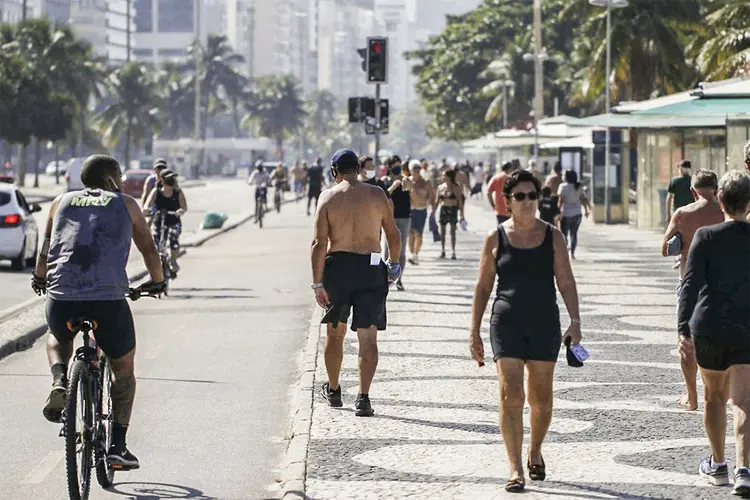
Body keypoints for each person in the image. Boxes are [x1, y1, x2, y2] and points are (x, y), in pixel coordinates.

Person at [31, 154, 166, 470]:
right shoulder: (127, 204)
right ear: (110, 180)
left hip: (62, 297)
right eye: (118, 177)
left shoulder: (60, 201)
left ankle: (61, 381)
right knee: (124, 367)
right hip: (107, 301)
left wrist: (39, 277)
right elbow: (149, 250)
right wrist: (157, 283)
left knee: (56, 336)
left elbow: (46, 248)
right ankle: (118, 446)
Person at [469, 169, 583, 492]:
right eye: (520, 196)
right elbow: (482, 287)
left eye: (532, 195)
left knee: (541, 399)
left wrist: (575, 321)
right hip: (506, 322)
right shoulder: (495, 238)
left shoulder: (553, 236)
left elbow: (566, 281)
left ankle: (535, 450)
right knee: (511, 394)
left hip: (545, 322)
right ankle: (515, 467)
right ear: (507, 201)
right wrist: (474, 330)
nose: (528, 201)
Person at [311, 149, 402, 417]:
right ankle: (363, 398)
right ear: (358, 169)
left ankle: (335, 389)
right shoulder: (376, 195)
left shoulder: (327, 197)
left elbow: (318, 244)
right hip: (371, 267)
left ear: (334, 171)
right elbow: (393, 236)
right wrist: (393, 265)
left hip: (338, 269)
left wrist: (317, 283)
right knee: (368, 336)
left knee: (335, 333)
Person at [677, 170, 750, 494]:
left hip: (709, 324)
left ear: (719, 200)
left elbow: (689, 285)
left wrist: (682, 329)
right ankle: (744, 469)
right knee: (745, 400)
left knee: (714, 397)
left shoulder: (706, 237)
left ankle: (718, 463)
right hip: (747, 325)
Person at [661, 169, 724, 411]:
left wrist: (680, 242)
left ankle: (692, 396)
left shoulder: (682, 213)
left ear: (692, 191)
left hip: (690, 283)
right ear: (716, 189)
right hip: (722, 284)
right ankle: (718, 392)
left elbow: (665, 249)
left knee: (687, 341)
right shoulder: (725, 210)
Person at [143, 169, 187, 274]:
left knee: (174, 239)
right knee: (156, 242)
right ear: (162, 182)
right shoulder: (156, 191)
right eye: (167, 182)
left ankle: (173, 260)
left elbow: (183, 206)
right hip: (159, 221)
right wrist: (147, 210)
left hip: (173, 221)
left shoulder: (178, 192)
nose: (169, 186)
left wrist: (180, 211)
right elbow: (147, 205)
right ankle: (156, 267)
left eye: (171, 182)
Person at [383, 156, 412, 291]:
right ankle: (385, 278)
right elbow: (382, 196)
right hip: (389, 218)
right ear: (389, 167)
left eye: (399, 165)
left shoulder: (406, 180)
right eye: (395, 165)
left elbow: (414, 195)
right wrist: (393, 187)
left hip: (405, 217)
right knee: (388, 249)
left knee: (402, 250)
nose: (398, 168)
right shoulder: (385, 181)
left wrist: (408, 185)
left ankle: (399, 279)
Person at [557, 170, 591, 260]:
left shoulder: (562, 186)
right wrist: (586, 210)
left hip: (566, 214)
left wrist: (557, 212)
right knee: (574, 234)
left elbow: (561, 200)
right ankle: (572, 253)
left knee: (564, 234)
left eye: (564, 174)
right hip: (577, 214)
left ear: (567, 177)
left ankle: (565, 251)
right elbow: (583, 199)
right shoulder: (578, 186)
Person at [407, 160, 435, 265]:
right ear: (410, 170)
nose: (417, 170)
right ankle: (411, 254)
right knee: (410, 233)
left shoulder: (426, 182)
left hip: (422, 210)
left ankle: (416, 254)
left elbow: (432, 197)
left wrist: (432, 210)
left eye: (418, 168)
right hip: (410, 210)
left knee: (419, 234)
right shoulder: (407, 181)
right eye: (414, 168)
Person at [435, 169, 465, 260]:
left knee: (452, 232)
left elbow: (460, 201)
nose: (443, 177)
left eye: (445, 175)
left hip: (453, 209)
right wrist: (433, 212)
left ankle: (453, 251)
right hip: (444, 209)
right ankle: (443, 250)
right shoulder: (440, 187)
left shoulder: (456, 187)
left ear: (450, 177)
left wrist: (462, 214)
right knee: (443, 232)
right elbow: (437, 201)